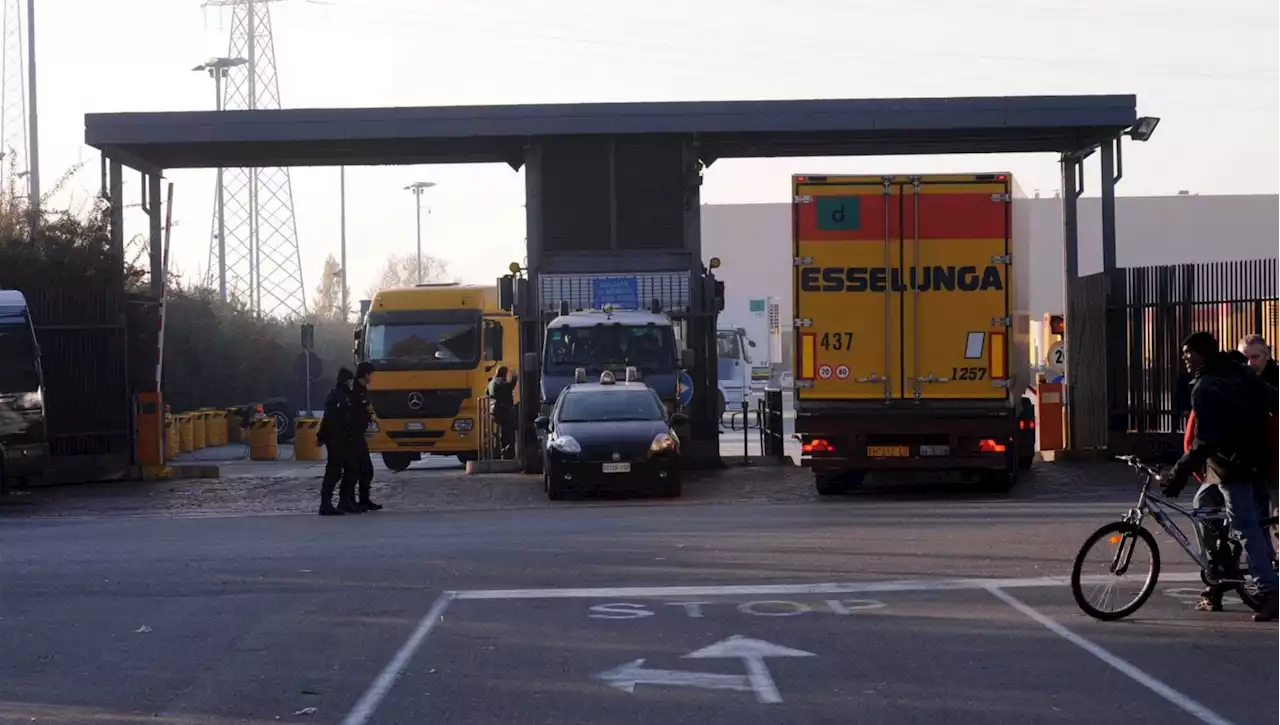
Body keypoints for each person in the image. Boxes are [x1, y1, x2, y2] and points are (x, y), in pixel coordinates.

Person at [1164, 332, 1280, 621]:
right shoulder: (1239, 373)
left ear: (1203, 354)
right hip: (1252, 461)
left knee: (1245, 526)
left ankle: (1269, 590)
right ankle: (1221, 568)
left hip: (1232, 467)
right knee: (1206, 507)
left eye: (1188, 352)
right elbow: (1274, 399)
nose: (1185, 358)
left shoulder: (1207, 386)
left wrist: (1177, 472)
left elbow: (1206, 439)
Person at [1238, 335, 1280, 553]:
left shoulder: (1275, 379)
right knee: (1257, 519)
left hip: (1276, 460)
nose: (1250, 363)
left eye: (1255, 357)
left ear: (1268, 355)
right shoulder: (1237, 381)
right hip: (1252, 461)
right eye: (1245, 358)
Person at [316, 368, 361, 516]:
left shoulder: (345, 396)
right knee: (334, 471)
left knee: (352, 469)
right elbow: (330, 419)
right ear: (346, 380)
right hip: (336, 439)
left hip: (345, 438)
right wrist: (323, 436)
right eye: (350, 380)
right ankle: (326, 503)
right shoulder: (337, 398)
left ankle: (345, 501)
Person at [352, 361, 382, 511]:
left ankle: (363, 500)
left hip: (359, 434)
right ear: (366, 374)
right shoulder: (355, 391)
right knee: (356, 469)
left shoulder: (363, 390)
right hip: (353, 435)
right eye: (371, 374)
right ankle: (354, 501)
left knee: (365, 470)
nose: (372, 377)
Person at [486, 365, 518, 459]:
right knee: (505, 431)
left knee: (501, 430)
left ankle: (501, 450)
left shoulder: (492, 382)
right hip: (502, 410)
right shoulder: (500, 382)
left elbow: (486, 392)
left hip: (493, 410)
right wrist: (515, 378)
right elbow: (509, 387)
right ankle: (504, 451)